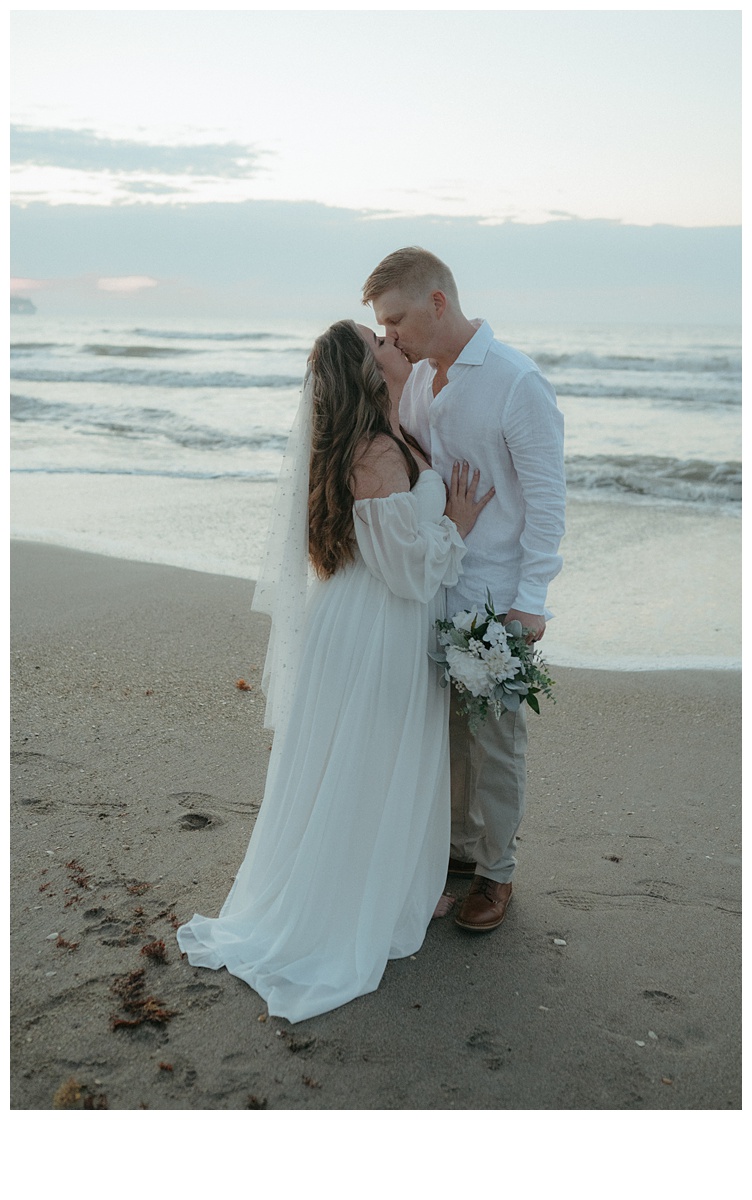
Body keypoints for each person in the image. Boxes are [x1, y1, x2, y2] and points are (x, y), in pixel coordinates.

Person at [176, 319, 493, 1023]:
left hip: (367, 618)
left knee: (371, 758)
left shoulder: (388, 436)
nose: (393, 341)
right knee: (368, 759)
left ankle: (397, 890)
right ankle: (362, 905)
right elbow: (409, 572)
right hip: (378, 625)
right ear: (367, 369)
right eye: (379, 339)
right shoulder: (376, 453)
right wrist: (460, 524)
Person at [362, 247, 566, 933]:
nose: (391, 336)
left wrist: (531, 598)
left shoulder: (516, 383)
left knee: (495, 742)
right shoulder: (418, 380)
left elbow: (546, 501)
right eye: (383, 326)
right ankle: (452, 853)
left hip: (492, 594)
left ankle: (496, 872)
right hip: (433, 585)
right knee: (444, 735)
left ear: (438, 303)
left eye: (397, 320)